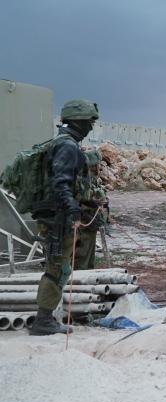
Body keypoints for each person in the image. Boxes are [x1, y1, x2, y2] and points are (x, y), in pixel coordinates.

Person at [29, 99, 99, 335]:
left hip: (56, 215)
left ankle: (47, 316)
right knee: (57, 268)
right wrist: (72, 208)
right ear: (78, 121)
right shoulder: (67, 146)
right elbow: (61, 183)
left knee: (60, 267)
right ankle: (43, 320)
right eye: (89, 121)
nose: (91, 126)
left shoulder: (63, 143)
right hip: (58, 219)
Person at [74, 150, 108, 270]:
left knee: (89, 255)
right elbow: (78, 200)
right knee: (81, 254)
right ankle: (80, 279)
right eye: (97, 164)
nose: (99, 167)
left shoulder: (92, 178)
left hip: (91, 222)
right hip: (83, 222)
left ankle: (88, 273)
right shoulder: (81, 178)